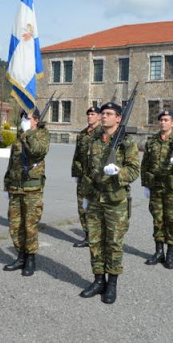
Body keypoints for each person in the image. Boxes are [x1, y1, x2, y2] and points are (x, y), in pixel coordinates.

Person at [79, 102, 139, 304]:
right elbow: (87, 171)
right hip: (95, 199)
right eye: (103, 113)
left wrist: (118, 172)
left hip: (115, 201)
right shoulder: (93, 140)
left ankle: (111, 284)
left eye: (109, 114)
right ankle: (98, 280)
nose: (104, 116)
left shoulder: (127, 143)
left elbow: (133, 170)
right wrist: (86, 198)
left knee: (113, 243)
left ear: (118, 118)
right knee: (95, 241)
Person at [141, 109, 173, 269]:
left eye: (166, 120)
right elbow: (145, 165)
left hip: (172, 188)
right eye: (161, 119)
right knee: (157, 219)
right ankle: (158, 252)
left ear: (172, 123)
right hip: (155, 187)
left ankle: (170, 255)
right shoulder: (152, 142)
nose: (163, 122)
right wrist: (145, 185)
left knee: (170, 220)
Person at [3, 109, 50, 277]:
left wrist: (28, 133)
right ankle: (20, 256)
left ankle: (31, 259)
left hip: (32, 189)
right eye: (22, 117)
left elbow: (37, 151)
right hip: (16, 188)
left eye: (27, 118)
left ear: (36, 120)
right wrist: (7, 183)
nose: (23, 120)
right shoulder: (20, 137)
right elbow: (12, 162)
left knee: (30, 226)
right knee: (15, 225)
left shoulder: (42, 135)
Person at [70, 106, 101, 248]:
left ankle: (98, 236)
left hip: (96, 178)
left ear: (99, 116)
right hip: (83, 177)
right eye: (88, 114)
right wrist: (76, 173)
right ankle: (88, 236)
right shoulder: (82, 134)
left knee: (96, 208)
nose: (89, 117)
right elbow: (77, 155)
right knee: (82, 207)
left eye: (93, 114)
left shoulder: (103, 133)